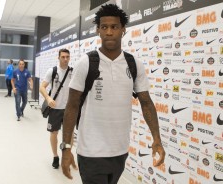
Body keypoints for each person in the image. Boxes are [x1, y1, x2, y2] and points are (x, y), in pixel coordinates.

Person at [61, 4, 165, 183]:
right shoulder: (85, 63)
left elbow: (146, 102)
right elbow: (71, 106)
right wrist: (66, 148)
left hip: (120, 151)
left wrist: (156, 138)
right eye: (104, 27)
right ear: (98, 31)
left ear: (123, 30)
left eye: (114, 27)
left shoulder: (134, 64)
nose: (109, 32)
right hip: (91, 151)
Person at [39, 49, 76, 169]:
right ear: (59, 57)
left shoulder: (73, 72)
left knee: (69, 135)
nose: (65, 59)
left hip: (68, 109)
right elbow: (42, 87)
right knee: (54, 133)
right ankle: (55, 156)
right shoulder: (53, 71)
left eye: (67, 57)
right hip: (55, 108)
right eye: (63, 57)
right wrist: (48, 98)